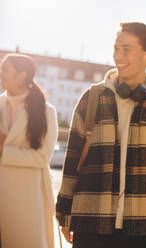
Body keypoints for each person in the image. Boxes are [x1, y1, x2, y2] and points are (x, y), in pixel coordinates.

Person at [56, 22, 146, 248]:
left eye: (126, 49)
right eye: (116, 48)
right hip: (90, 218)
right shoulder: (91, 98)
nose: (117, 55)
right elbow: (72, 159)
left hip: (142, 226)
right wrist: (64, 211)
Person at [0, 53, 58, 248]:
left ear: (22, 75)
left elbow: (43, 157)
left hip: (27, 199)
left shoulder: (46, 111)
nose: (1, 74)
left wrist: (3, 152)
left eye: (5, 70)